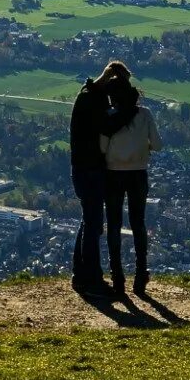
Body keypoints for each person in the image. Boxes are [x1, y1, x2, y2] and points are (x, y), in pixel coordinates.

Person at [101, 68, 161, 297]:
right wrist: (141, 148)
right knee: (138, 223)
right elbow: (157, 145)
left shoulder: (108, 116)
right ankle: (140, 272)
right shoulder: (144, 114)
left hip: (114, 173)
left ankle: (117, 275)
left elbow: (101, 148)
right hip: (138, 173)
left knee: (114, 224)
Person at [68, 73, 111, 295]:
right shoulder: (95, 102)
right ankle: (91, 277)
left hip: (81, 168)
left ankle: (80, 272)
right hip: (91, 169)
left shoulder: (85, 97)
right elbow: (105, 130)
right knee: (93, 223)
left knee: (88, 221)